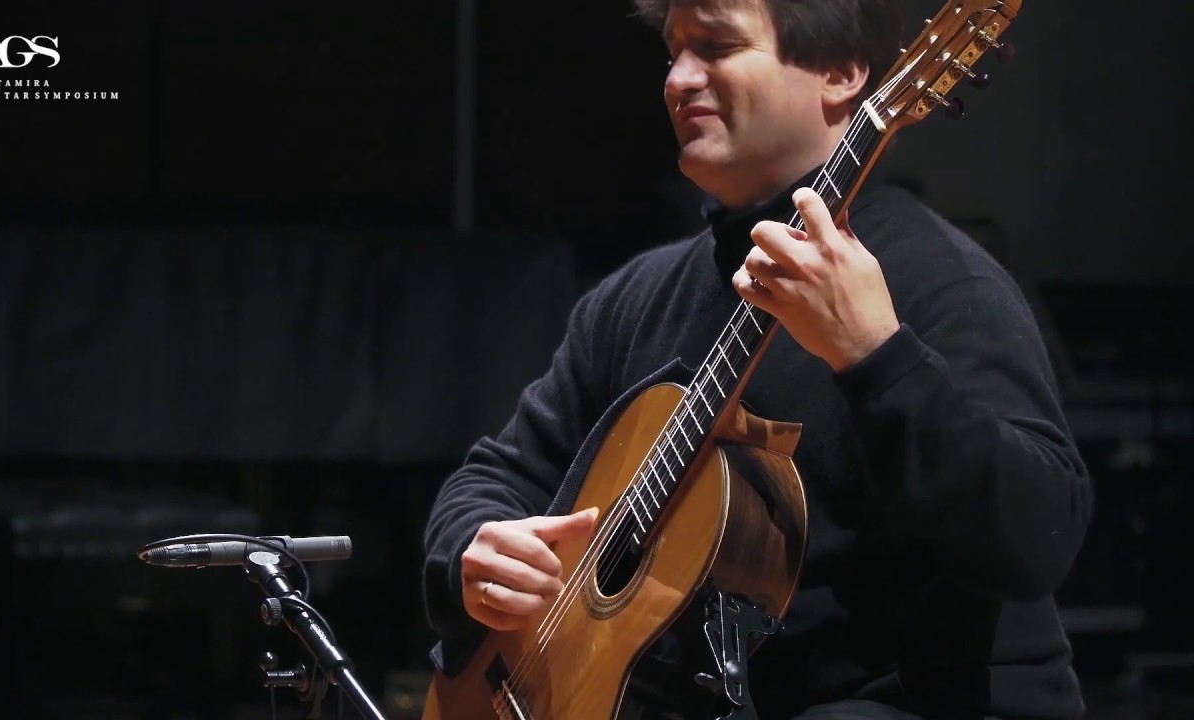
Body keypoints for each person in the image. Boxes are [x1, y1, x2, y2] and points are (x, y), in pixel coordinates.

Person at [421, 0, 1094, 718]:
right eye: (674, 53)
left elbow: (1039, 534)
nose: (679, 79)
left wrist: (876, 355)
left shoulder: (944, 285)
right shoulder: (634, 299)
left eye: (716, 47)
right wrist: (472, 551)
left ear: (841, 75)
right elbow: (499, 475)